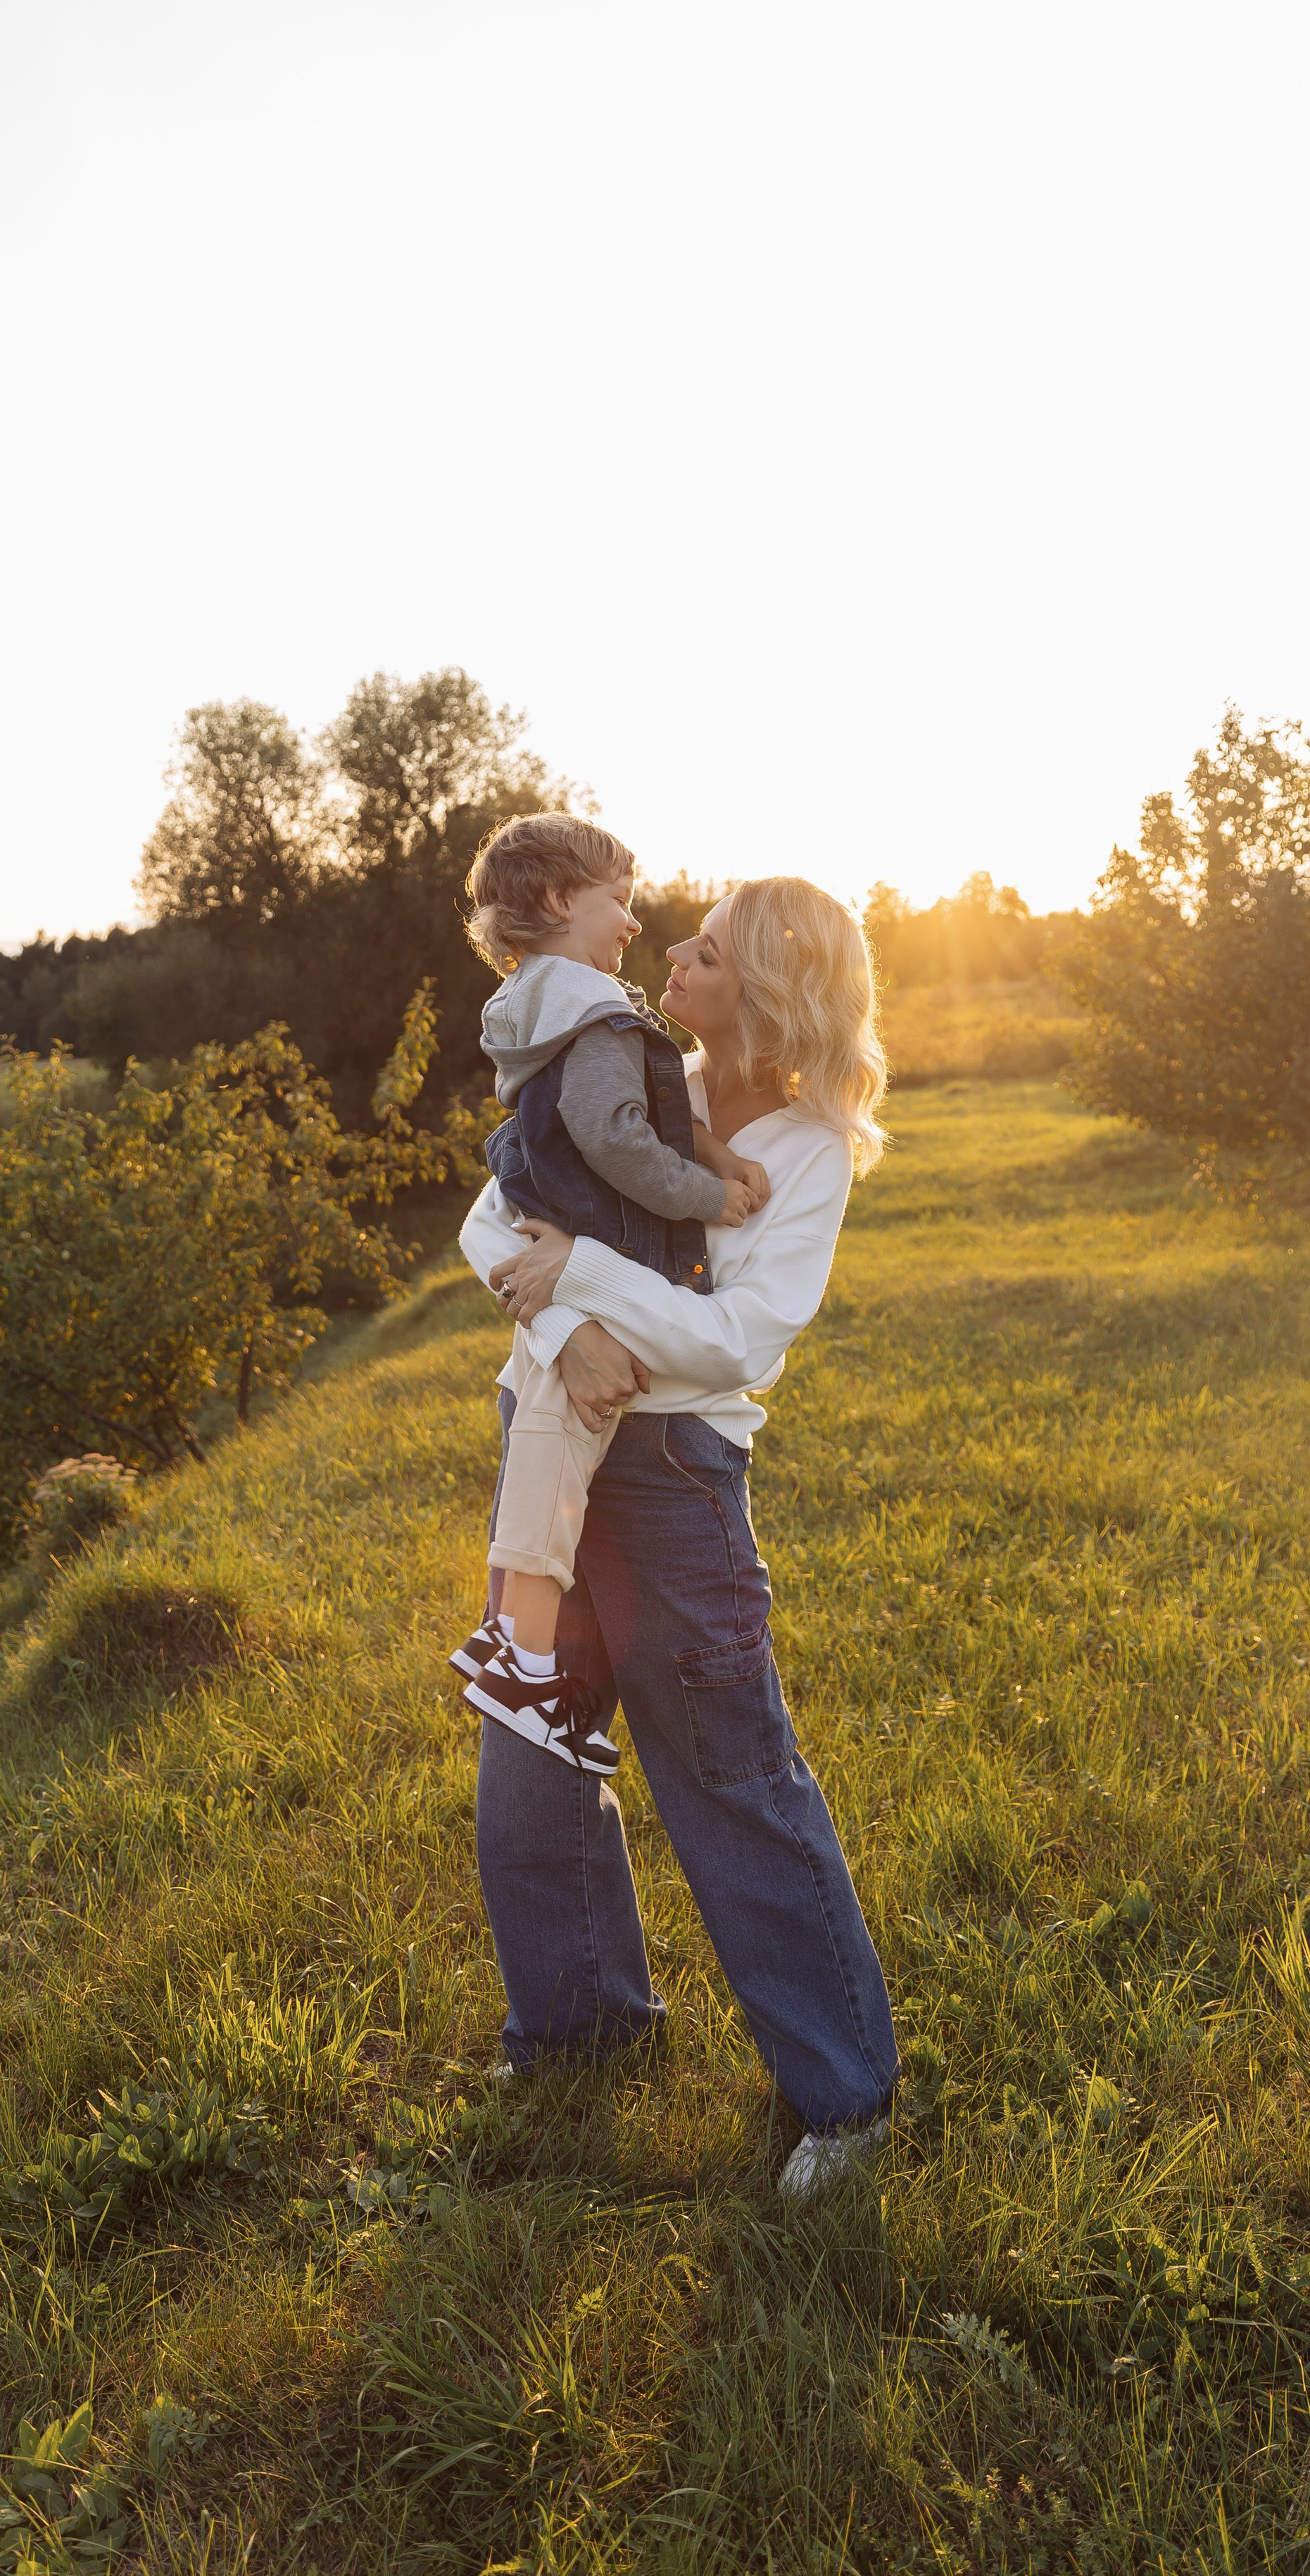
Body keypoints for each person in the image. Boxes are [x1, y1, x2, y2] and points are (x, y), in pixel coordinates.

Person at [458, 875, 900, 2195]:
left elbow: (733, 1341)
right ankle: (582, 2030)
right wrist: (566, 1328)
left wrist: (580, 1281)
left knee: (728, 1773)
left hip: (672, 1483)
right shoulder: (624, 1065)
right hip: (547, 1437)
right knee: (529, 1749)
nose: (669, 962)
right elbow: (494, 1215)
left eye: (702, 952)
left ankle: (847, 2097)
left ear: (764, 994)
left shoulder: (813, 1151)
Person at [450, 812, 770, 1773]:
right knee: (556, 1452)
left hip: (567, 1248)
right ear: (558, 902)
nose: (634, 923)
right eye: (619, 902)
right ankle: (520, 1657)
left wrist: (708, 1144)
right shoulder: (589, 1008)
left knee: (547, 1442)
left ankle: (508, 1638)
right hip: (601, 1246)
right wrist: (709, 1192)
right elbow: (619, 1137)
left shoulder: (543, 1007)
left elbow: (641, 1107)